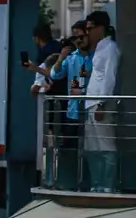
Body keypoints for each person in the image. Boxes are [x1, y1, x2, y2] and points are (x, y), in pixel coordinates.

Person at [40, 22, 95, 189]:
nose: (77, 41)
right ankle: (69, 183)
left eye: (80, 37)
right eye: (74, 38)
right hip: (72, 112)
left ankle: (89, 183)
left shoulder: (95, 56)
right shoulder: (72, 58)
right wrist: (61, 57)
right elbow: (55, 75)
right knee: (70, 150)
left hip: (90, 110)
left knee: (91, 151)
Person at [84, 10, 122, 192]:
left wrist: (102, 103)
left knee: (106, 146)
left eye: (90, 28)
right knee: (92, 148)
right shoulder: (98, 49)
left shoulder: (111, 48)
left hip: (100, 104)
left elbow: (109, 78)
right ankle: (97, 184)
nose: (88, 32)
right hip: (90, 102)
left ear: (101, 28)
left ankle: (108, 185)